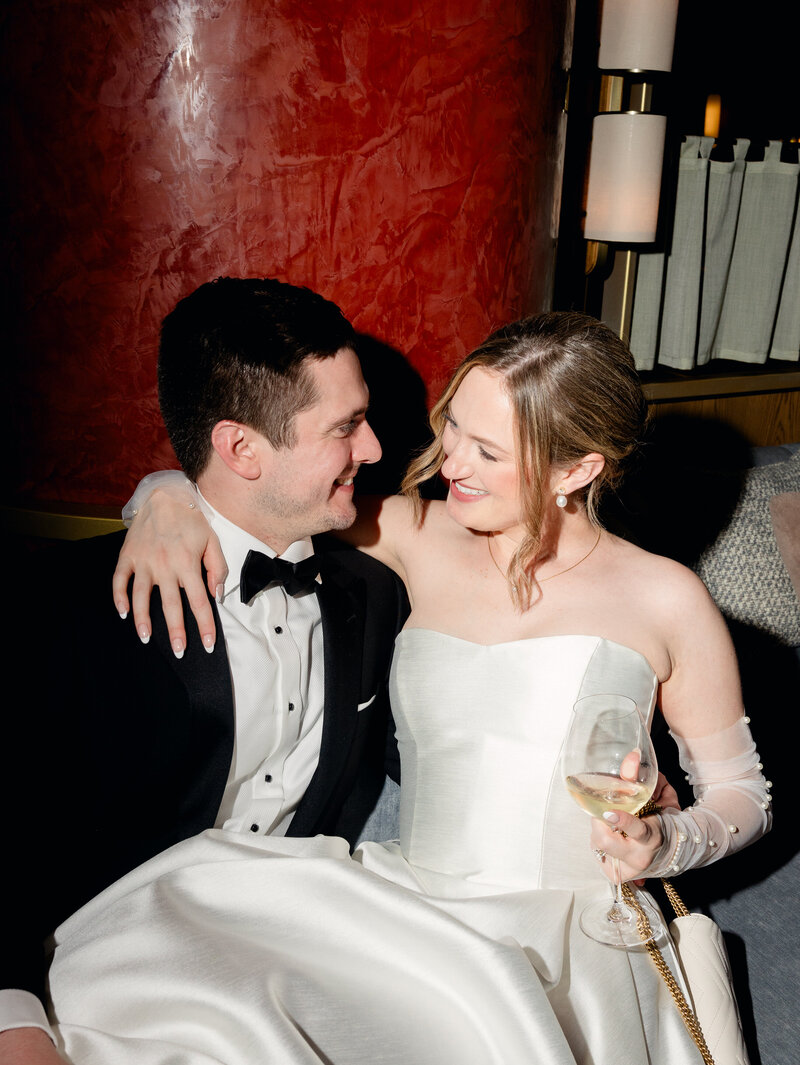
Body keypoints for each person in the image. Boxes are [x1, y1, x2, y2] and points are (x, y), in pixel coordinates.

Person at [31, 313, 773, 1063]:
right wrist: (164, 495)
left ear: (575, 469)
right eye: (452, 429)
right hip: (407, 913)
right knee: (192, 1002)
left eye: (488, 451)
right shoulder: (415, 532)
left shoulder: (665, 597)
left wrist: (668, 841)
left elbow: (745, 793)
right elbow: (258, 501)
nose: (452, 463)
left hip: (573, 939)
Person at [1, 278, 409, 1064]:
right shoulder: (71, 607)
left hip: (302, 963)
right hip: (101, 983)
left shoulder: (374, 594)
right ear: (240, 447)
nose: (374, 449)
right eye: (346, 427)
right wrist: (18, 1024)